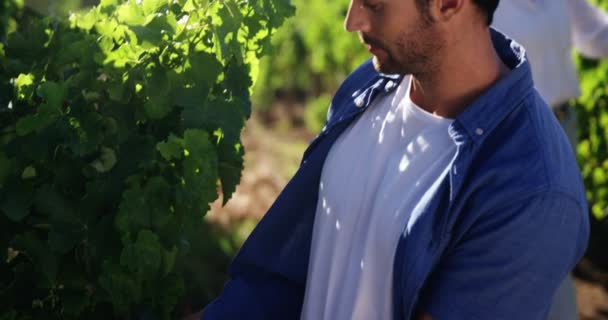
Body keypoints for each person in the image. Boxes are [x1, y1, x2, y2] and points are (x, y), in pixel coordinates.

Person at [202, 0, 590, 319]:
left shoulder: (531, 188)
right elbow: (284, 274)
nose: (352, 22)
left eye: (374, 4)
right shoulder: (368, 87)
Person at [493, 1, 608, 319]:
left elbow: (595, 36)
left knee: (558, 247)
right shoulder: (479, 7)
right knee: (536, 253)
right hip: (515, 137)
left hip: (561, 126)